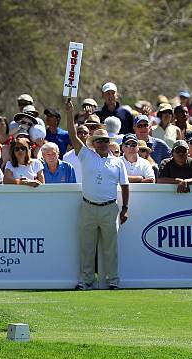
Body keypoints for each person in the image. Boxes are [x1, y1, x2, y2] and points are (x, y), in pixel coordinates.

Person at [66, 100, 129, 290]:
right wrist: (70, 113)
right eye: (99, 141)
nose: (102, 143)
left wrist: (125, 208)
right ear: (94, 143)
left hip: (110, 208)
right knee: (87, 247)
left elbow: (125, 186)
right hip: (88, 206)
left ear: (109, 143)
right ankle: (86, 281)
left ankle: (112, 281)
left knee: (111, 248)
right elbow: (72, 134)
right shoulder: (86, 155)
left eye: (105, 141)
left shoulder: (118, 162)